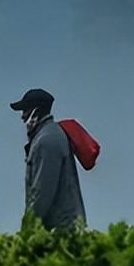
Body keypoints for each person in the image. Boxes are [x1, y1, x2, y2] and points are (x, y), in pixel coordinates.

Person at [10, 88, 86, 231]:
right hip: (60, 227)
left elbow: (42, 192)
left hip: (60, 230)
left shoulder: (46, 141)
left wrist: (28, 229)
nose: (22, 117)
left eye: (25, 111)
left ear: (36, 112)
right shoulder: (49, 135)